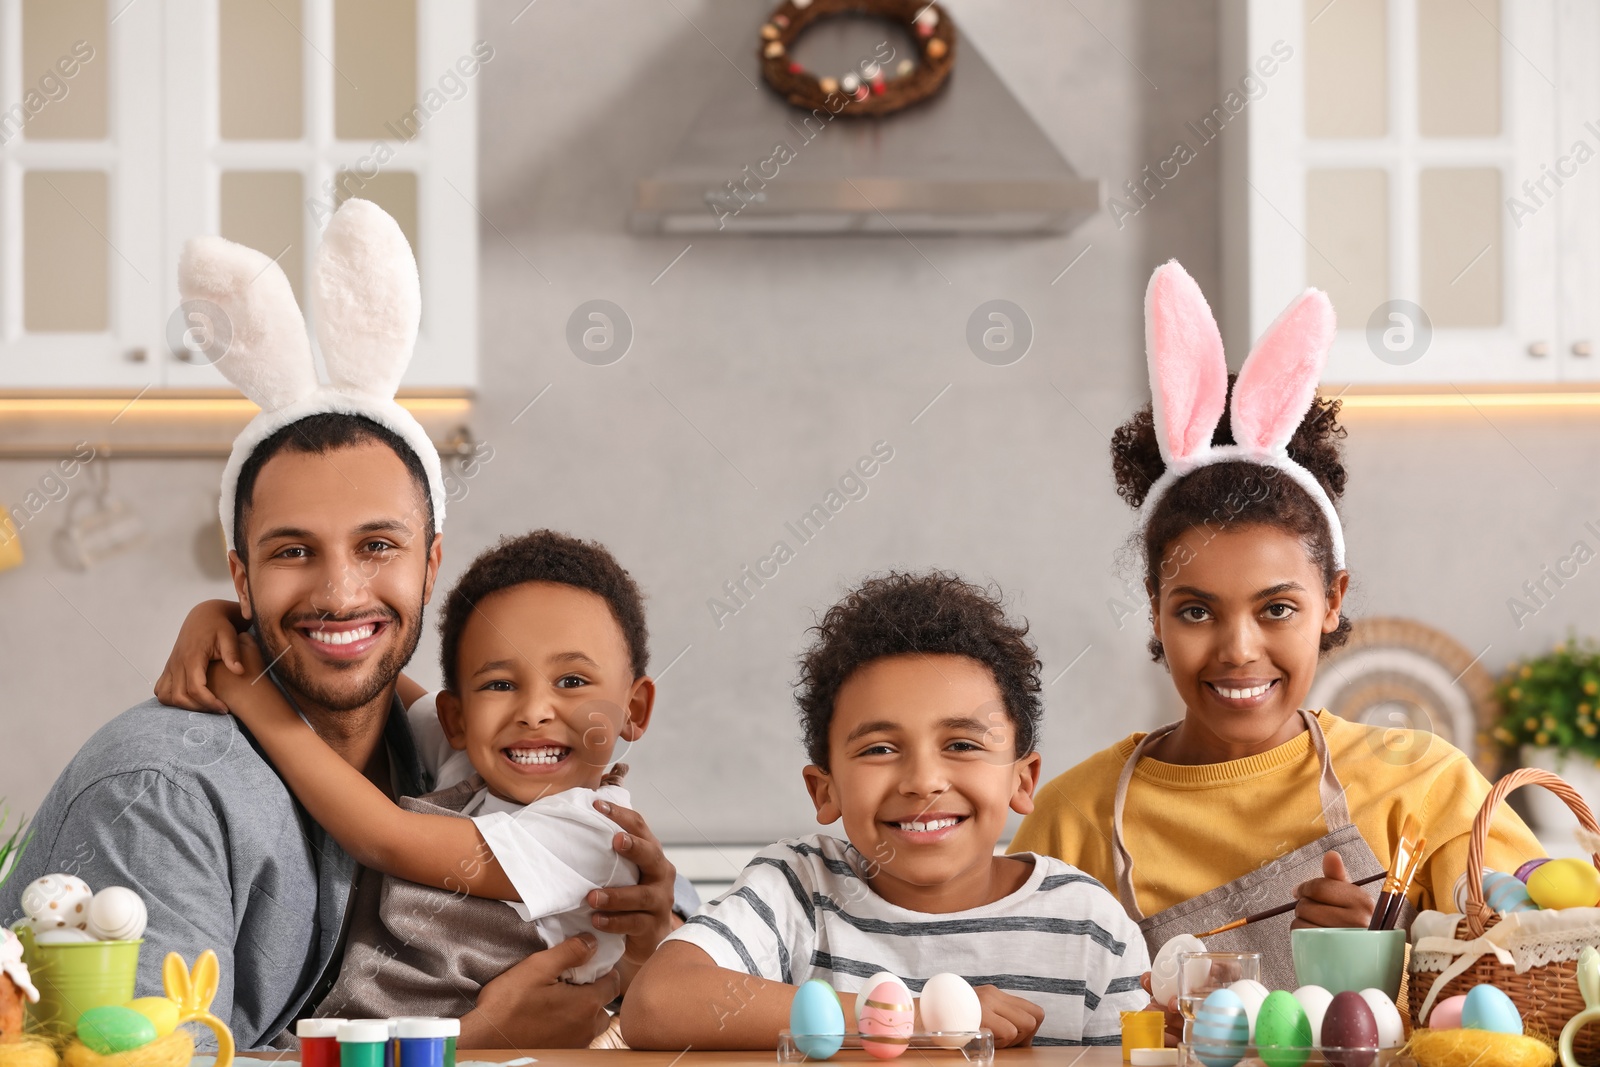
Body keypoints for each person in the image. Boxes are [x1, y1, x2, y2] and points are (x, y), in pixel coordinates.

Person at [1, 202, 685, 1050]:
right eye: (293, 551)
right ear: (241, 575)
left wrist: (648, 933)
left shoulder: (423, 746)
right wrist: (458, 1043)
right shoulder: (161, 797)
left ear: (430, 566)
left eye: (377, 545)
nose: (340, 591)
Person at [1009, 260, 1543, 997]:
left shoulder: (1424, 788)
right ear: (1155, 608)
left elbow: (1551, 975)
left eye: (1276, 608)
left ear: (1332, 600)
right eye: (1196, 610)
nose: (1238, 649)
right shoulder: (1075, 820)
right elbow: (1023, 1016)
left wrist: (1404, 958)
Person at [164, 531, 671, 1039]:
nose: (534, 713)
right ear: (456, 717)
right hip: (379, 1043)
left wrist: (249, 691)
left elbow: (386, 837)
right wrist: (228, 618)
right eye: (499, 684)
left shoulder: (593, 836)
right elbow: (366, 677)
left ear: (634, 710)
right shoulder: (471, 758)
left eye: (573, 681)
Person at [623, 571, 1152, 1049]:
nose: (923, 782)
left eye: (963, 745)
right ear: (823, 791)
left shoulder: (1089, 927)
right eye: (879, 749)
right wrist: (911, 1019)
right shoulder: (799, 890)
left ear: (1022, 778)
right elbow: (656, 1004)